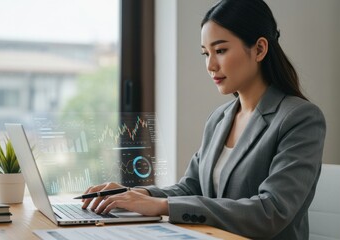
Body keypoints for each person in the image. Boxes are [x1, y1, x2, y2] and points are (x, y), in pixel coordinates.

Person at [81, 0, 326, 239]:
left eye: (220, 51)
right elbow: (190, 187)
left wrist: (163, 207)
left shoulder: (300, 118)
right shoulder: (219, 118)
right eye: (205, 53)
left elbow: (271, 212)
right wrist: (134, 194)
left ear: (260, 49)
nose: (210, 65)